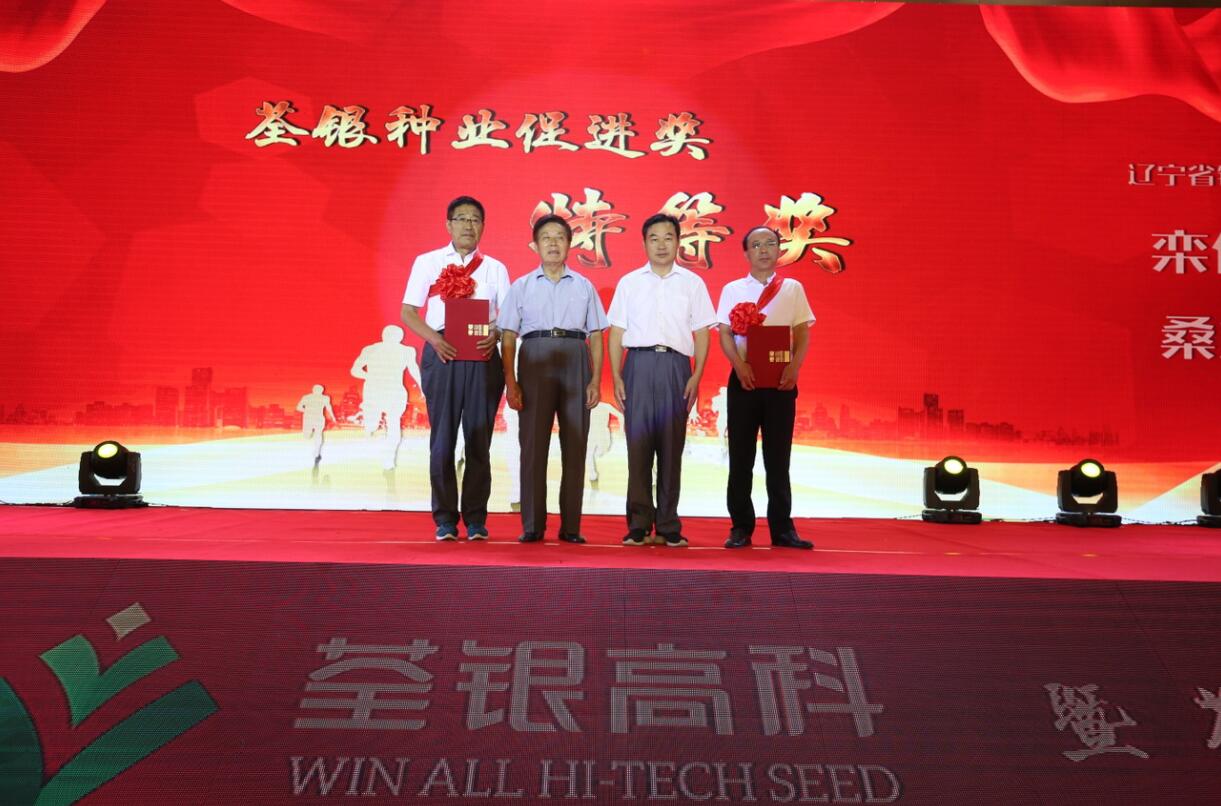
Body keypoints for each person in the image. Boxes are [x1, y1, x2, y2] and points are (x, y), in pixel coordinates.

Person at [401, 196, 509, 541]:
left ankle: (476, 519)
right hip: (442, 353)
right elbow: (408, 312)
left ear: (483, 226)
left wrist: (495, 335)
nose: (468, 225)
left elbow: (508, 319)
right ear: (448, 224)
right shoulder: (428, 262)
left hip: (482, 355)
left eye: (475, 219)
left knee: (479, 439)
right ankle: (445, 519)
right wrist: (435, 340)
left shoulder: (495, 268)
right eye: (461, 218)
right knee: (443, 440)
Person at [607, 213, 716, 547]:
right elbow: (616, 333)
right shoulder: (629, 283)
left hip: (675, 367)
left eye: (668, 237)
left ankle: (668, 524)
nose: (661, 245)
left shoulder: (692, 283)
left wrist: (696, 375)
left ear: (678, 242)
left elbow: (702, 332)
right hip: (638, 366)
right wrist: (616, 375)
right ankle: (639, 524)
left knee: (671, 448)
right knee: (638, 449)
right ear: (644, 243)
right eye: (654, 238)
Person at [498, 214, 608, 544]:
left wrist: (595, 380)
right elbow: (507, 336)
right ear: (535, 245)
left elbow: (597, 335)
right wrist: (511, 381)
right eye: (546, 237)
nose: (553, 243)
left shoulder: (584, 286)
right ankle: (533, 525)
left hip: (575, 357)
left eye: (560, 237)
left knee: (575, 445)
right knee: (533, 445)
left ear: (569, 244)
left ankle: (571, 526)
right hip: (534, 357)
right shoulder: (521, 286)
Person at [715, 226, 815, 550]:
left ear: (779, 250)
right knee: (740, 458)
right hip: (744, 380)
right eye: (756, 245)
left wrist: (794, 367)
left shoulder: (792, 288)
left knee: (778, 459)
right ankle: (740, 527)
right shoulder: (732, 289)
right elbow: (725, 333)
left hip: (781, 382)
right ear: (746, 252)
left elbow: (802, 332)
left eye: (770, 243)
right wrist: (739, 365)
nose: (763, 250)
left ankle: (783, 529)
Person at [350, 325, 420, 469]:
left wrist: (422, 387)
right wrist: (371, 376)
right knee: (374, 424)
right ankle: (371, 435)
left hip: (394, 391)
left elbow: (414, 370)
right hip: (375, 391)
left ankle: (388, 459)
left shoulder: (407, 351)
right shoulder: (370, 350)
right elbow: (355, 370)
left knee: (393, 423)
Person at [296, 384, 336, 463]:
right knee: (308, 435)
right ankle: (316, 450)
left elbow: (329, 407)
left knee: (317, 434)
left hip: (316, 419)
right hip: (311, 418)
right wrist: (308, 411)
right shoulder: (307, 397)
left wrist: (333, 417)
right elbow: (299, 407)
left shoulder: (324, 398)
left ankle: (317, 452)